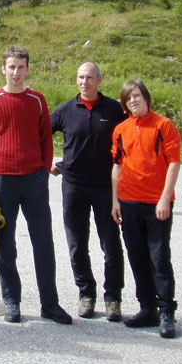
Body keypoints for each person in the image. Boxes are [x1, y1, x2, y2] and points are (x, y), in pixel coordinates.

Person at [0, 46, 71, 325]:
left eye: (21, 67)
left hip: (34, 179)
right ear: (3, 69)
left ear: (28, 69)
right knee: (5, 242)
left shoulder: (37, 100)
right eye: (11, 67)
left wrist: (43, 170)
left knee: (43, 241)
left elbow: (46, 140)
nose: (16, 72)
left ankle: (50, 304)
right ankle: (11, 301)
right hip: (3, 179)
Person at [50, 62, 126, 321]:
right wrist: (50, 161)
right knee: (77, 244)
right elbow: (39, 134)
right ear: (77, 79)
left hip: (106, 187)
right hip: (74, 186)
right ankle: (86, 294)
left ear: (99, 80)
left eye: (90, 77)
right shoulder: (65, 110)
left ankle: (113, 298)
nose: (85, 82)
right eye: (81, 77)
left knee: (111, 244)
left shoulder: (115, 110)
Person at [111, 78, 181, 339]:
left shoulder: (164, 126)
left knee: (159, 258)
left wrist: (165, 199)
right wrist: (115, 200)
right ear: (124, 103)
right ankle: (147, 307)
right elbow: (117, 165)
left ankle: (166, 311)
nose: (134, 101)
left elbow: (174, 163)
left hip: (156, 204)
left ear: (146, 98)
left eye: (138, 96)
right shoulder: (120, 129)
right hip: (129, 202)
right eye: (129, 98)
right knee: (137, 257)